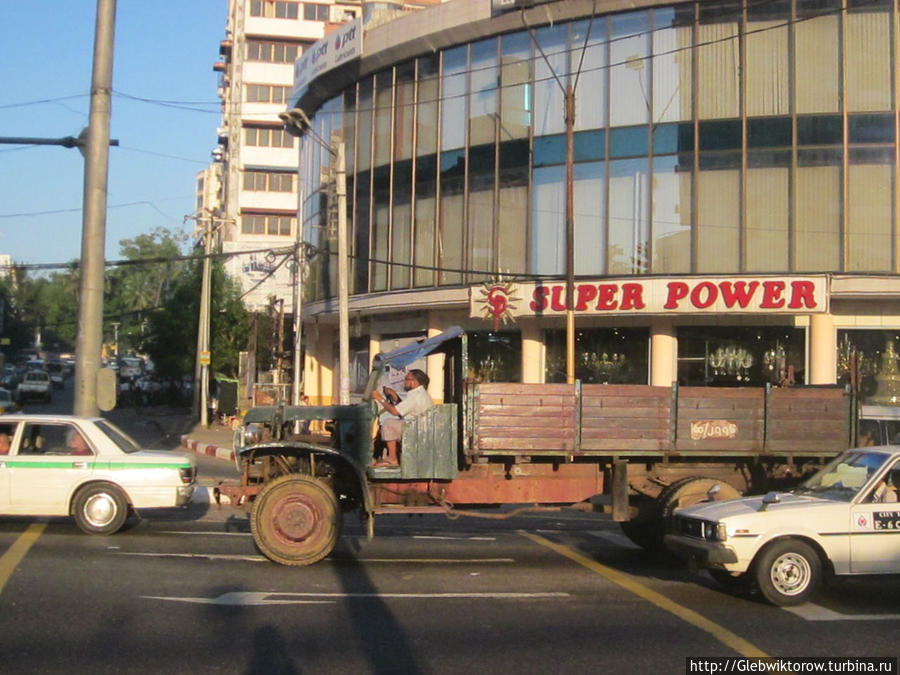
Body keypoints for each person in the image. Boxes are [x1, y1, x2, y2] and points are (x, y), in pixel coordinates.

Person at [371, 369, 433, 467]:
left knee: (388, 424)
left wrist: (380, 398)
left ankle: (392, 458)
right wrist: (395, 396)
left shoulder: (416, 396)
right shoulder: (419, 394)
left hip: (417, 430)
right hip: (418, 427)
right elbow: (404, 411)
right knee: (391, 424)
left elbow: (395, 411)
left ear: (414, 381)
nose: (404, 382)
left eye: (407, 379)